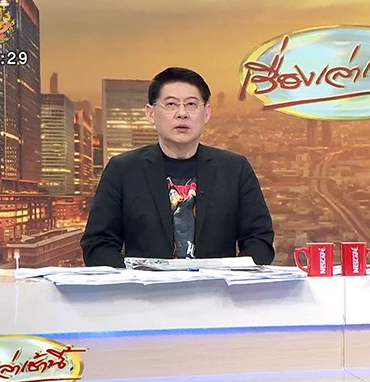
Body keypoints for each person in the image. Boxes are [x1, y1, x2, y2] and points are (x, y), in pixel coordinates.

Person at [81, 67, 275, 267]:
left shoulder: (235, 169)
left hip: (217, 286)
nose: (182, 114)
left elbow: (259, 241)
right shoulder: (122, 170)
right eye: (171, 104)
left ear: (206, 113)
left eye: (191, 104)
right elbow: (98, 246)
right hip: (145, 286)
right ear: (150, 113)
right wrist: (139, 277)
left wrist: (229, 277)